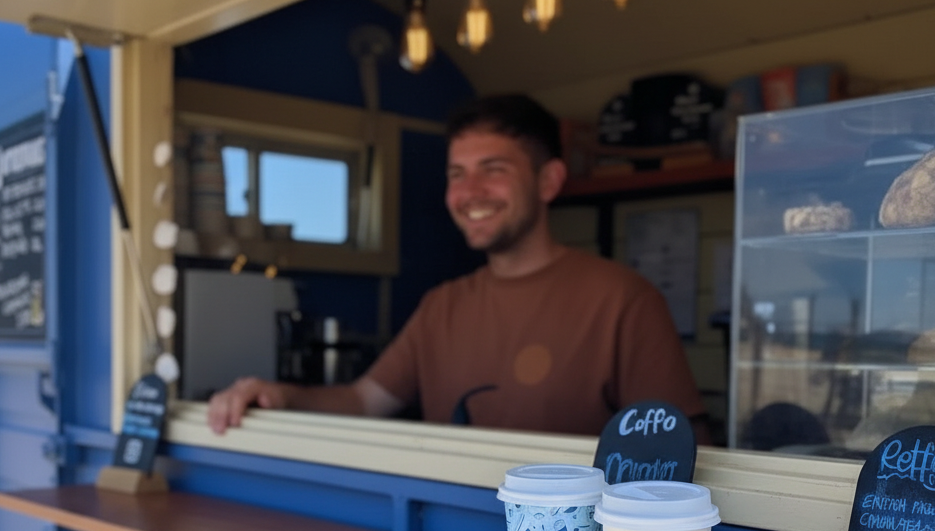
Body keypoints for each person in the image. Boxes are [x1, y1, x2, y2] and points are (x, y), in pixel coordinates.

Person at [208, 94, 706, 438]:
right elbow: (363, 401)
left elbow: (683, 453)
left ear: (549, 181)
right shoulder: (441, 306)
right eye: (457, 174)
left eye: (494, 171)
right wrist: (278, 395)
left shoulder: (623, 300)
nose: (469, 194)